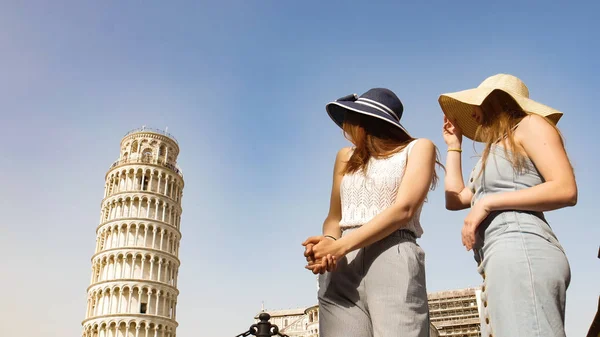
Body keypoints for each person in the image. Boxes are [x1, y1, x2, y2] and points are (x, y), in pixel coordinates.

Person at [439, 73, 577, 337]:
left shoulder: (531, 125)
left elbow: (565, 188)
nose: (472, 115)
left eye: (475, 106)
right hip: (500, 259)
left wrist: (488, 203)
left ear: (493, 101)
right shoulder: (493, 153)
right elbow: (454, 198)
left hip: (523, 249)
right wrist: (454, 146)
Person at [302, 88, 441, 337]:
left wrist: (340, 246)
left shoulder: (419, 148)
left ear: (366, 121)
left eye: (350, 119)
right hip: (342, 264)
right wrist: (329, 243)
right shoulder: (345, 157)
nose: (346, 128)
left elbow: (404, 209)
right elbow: (334, 217)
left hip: (392, 253)